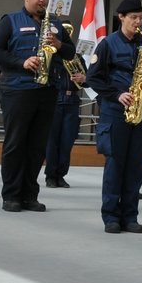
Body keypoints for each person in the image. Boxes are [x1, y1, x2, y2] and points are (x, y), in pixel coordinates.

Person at [0, 0, 72, 212]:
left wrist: (58, 43)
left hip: (47, 90)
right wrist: (22, 62)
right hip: (17, 89)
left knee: (37, 146)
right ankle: (11, 195)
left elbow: (70, 52)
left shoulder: (55, 23)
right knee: (16, 143)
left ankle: (29, 195)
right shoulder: (10, 21)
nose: (42, 0)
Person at [88, 0, 142, 234]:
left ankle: (131, 215)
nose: (138, 22)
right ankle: (111, 216)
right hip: (116, 112)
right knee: (115, 164)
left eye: (140, 18)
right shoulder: (107, 44)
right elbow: (93, 78)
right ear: (121, 18)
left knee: (137, 166)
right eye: (133, 18)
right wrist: (117, 94)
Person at [43, 22, 88, 189]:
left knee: (67, 141)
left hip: (72, 101)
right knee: (52, 140)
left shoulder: (76, 56)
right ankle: (50, 175)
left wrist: (83, 79)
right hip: (55, 99)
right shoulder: (51, 55)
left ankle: (61, 175)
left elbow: (87, 79)